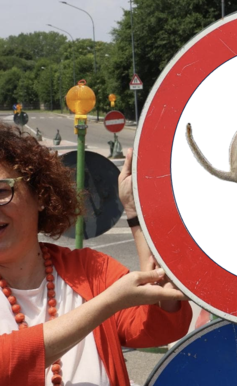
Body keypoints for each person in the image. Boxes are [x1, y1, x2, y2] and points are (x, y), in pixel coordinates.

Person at [0, 122, 192, 385]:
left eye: (2, 191)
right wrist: (107, 304)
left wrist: (135, 214)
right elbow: (7, 360)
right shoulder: (107, 298)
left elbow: (157, 327)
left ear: (41, 195)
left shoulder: (90, 269)